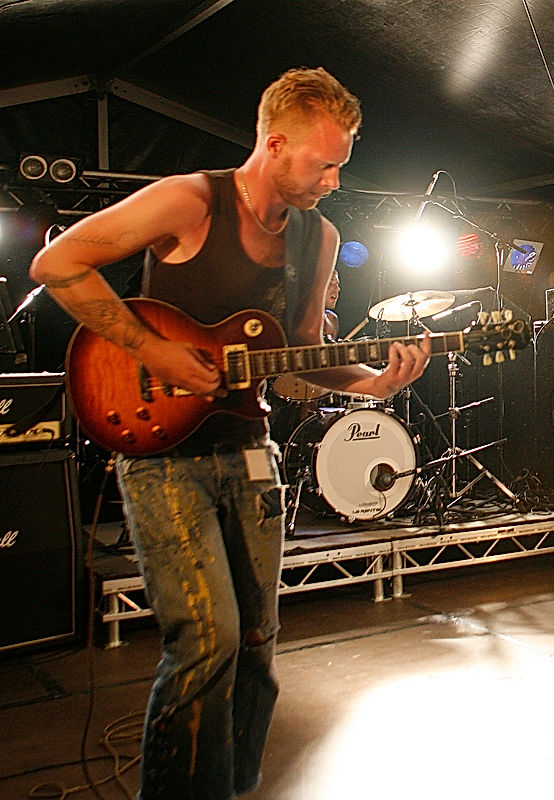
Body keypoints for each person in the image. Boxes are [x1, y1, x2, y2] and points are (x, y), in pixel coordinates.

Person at [30, 67, 431, 799]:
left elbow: (307, 347)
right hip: (161, 455)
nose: (336, 179)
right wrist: (153, 351)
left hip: (249, 452)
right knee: (204, 640)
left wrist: (376, 382)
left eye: (343, 163)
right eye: (325, 163)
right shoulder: (192, 200)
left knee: (255, 642)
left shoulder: (321, 235)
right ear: (275, 144)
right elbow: (57, 264)